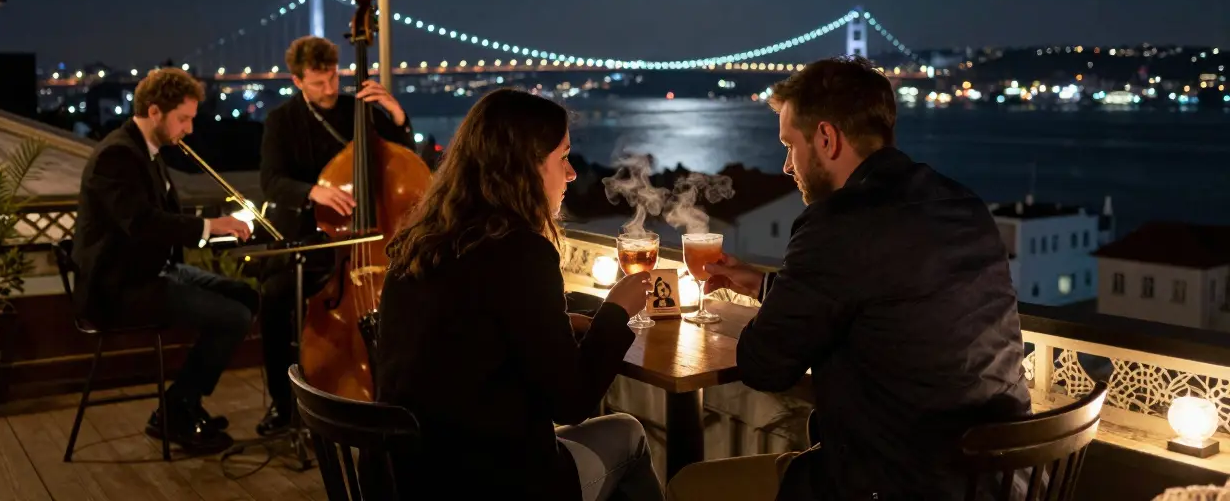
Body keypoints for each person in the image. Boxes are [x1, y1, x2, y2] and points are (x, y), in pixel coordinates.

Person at [666, 57, 1031, 501]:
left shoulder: (836, 223)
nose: (786, 166)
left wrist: (775, 310)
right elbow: (885, 299)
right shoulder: (962, 203)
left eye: (789, 145)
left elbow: (764, 366)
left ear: (825, 138)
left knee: (689, 487)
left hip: (896, 484)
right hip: (1003, 484)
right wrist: (765, 285)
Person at [375, 88, 665, 501]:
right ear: (527, 166)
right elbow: (571, 401)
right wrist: (617, 310)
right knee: (627, 434)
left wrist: (565, 326)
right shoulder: (521, 251)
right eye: (562, 157)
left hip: (412, 474)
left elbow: (474, 336)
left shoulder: (422, 240)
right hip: (491, 482)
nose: (570, 173)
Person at [72, 68, 257, 454]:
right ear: (155, 112)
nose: (189, 129)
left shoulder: (148, 152)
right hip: (118, 288)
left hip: (149, 272)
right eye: (183, 119)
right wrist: (209, 225)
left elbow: (163, 220)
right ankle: (175, 410)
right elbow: (141, 224)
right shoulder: (118, 155)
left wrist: (222, 229)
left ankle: (184, 403)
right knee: (234, 316)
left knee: (245, 297)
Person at [255, 35, 416, 435]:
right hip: (314, 241)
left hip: (370, 245)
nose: (329, 89)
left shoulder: (359, 110)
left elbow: (404, 162)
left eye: (333, 78)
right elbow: (272, 181)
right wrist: (312, 191)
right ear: (297, 81)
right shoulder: (282, 120)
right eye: (318, 82)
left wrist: (396, 115)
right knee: (274, 298)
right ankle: (282, 403)